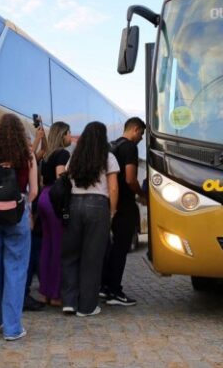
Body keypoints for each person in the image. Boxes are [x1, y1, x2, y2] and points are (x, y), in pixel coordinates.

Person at [0, 113, 38, 341]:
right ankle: (12, 328)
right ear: (21, 134)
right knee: (15, 270)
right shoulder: (28, 156)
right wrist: (24, 208)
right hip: (17, 215)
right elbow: (33, 191)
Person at [61, 121, 119, 317]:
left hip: (75, 204)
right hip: (98, 205)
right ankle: (87, 307)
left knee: (71, 255)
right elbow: (113, 188)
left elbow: (66, 179)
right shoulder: (108, 157)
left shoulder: (74, 157)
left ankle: (69, 301)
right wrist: (112, 212)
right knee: (92, 258)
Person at [101, 117, 146, 307]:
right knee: (121, 248)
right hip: (125, 204)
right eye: (141, 134)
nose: (141, 138)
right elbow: (130, 179)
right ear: (135, 129)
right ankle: (115, 292)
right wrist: (142, 194)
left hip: (110, 202)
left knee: (110, 248)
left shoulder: (112, 147)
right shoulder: (129, 148)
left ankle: (104, 286)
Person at [36, 122, 72, 306]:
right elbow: (61, 178)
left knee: (47, 247)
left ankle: (45, 293)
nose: (70, 137)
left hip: (43, 197)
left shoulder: (47, 155)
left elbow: (43, 180)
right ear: (62, 134)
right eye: (69, 133)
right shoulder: (63, 154)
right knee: (59, 248)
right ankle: (56, 294)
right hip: (55, 200)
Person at [24, 121, 47, 311]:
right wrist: (37, 139)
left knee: (33, 252)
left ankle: (27, 292)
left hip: (33, 212)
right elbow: (30, 156)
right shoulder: (24, 158)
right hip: (27, 212)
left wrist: (42, 137)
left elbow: (41, 152)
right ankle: (24, 295)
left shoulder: (32, 158)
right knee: (29, 254)